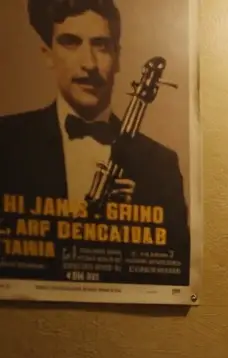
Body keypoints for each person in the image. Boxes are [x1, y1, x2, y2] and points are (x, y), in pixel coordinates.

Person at [0, 0, 191, 274]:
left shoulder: (162, 165)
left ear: (118, 58)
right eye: (70, 42)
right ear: (47, 54)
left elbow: (175, 270)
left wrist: (134, 220)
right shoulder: (6, 142)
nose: (89, 63)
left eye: (101, 45)